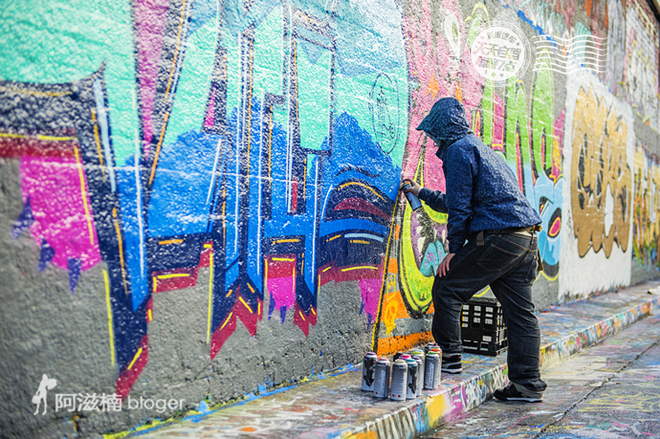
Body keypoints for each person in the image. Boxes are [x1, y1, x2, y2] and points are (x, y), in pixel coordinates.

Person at [402, 97, 547, 403]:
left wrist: (454, 250)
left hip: (499, 239)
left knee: (447, 286)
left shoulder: (457, 151)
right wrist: (421, 192)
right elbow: (459, 200)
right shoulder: (481, 149)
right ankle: (527, 385)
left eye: (433, 133)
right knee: (522, 316)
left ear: (442, 128)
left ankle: (451, 358)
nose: (433, 139)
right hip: (525, 240)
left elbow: (460, 209)